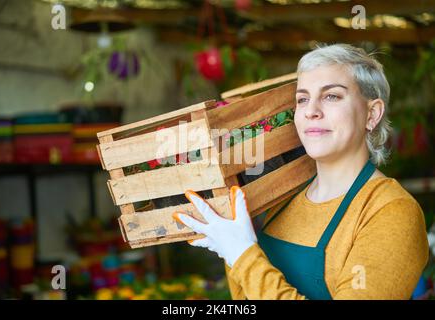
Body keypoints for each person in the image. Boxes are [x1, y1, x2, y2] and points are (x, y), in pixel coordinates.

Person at [172, 44, 429, 300]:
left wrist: (242, 255)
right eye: (302, 99)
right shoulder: (285, 198)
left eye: (332, 96)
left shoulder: (392, 212)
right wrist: (232, 252)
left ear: (371, 114)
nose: (311, 111)